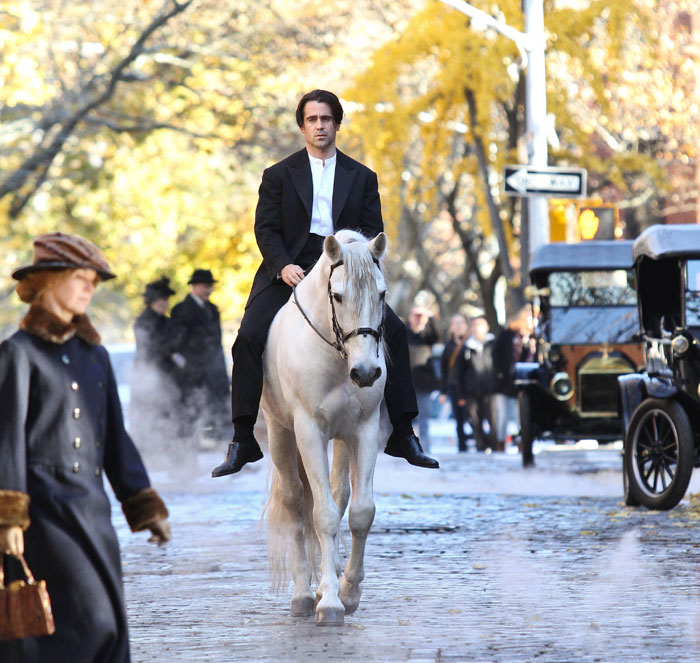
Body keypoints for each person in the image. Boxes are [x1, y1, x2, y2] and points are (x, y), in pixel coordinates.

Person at [212, 89, 438, 477]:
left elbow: (373, 231)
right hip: (291, 269)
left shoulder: (362, 177)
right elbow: (265, 229)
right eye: (313, 119)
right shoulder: (278, 174)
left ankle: (403, 432)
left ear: (337, 123)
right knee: (247, 336)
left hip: (346, 266)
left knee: (396, 331)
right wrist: (281, 265)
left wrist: (355, 261)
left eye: (326, 119)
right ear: (302, 126)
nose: (320, 125)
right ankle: (243, 438)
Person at [0, 232, 171, 663]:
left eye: (94, 280)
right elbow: (5, 440)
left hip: (92, 512)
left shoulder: (94, 355)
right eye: (80, 277)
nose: (90, 288)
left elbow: (115, 437)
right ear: (45, 281)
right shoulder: (16, 354)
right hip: (42, 517)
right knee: (84, 623)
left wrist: (144, 505)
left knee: (109, 625)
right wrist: (8, 519)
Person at [170, 269, 231, 442]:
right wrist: (187, 367)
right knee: (191, 418)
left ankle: (230, 457)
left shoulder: (213, 309)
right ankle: (188, 462)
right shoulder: (181, 310)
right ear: (194, 286)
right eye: (205, 286)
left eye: (210, 286)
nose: (209, 290)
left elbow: (217, 343)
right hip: (194, 375)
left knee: (223, 416)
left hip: (216, 373)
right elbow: (176, 344)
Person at [130, 276, 182, 463]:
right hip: (149, 379)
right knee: (148, 422)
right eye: (161, 299)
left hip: (166, 379)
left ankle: (173, 463)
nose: (165, 303)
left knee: (170, 422)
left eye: (166, 299)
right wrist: (172, 354)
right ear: (152, 300)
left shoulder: (165, 321)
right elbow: (150, 347)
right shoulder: (143, 322)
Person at [406, 305, 440, 451]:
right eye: (416, 316)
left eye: (420, 316)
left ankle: (425, 449)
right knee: (404, 420)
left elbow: (436, 334)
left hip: (423, 385)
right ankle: (406, 448)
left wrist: (429, 317)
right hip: (405, 384)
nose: (418, 319)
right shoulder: (404, 333)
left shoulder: (427, 336)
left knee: (424, 420)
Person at [461, 315, 496, 452]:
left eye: (480, 325)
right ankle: (481, 446)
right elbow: (460, 372)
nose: (477, 328)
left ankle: (493, 445)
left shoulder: (493, 344)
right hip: (472, 390)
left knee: (493, 420)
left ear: (487, 327)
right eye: (474, 325)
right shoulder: (466, 347)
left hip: (490, 390)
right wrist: (461, 393)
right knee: (474, 420)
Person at [439, 313, 470, 452]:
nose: (458, 326)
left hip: (470, 387)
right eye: (455, 323)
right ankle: (462, 446)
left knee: (474, 417)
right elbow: (444, 370)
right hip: (454, 387)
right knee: (459, 419)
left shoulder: (470, 343)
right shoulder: (448, 346)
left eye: (461, 323)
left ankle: (481, 443)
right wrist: (443, 391)